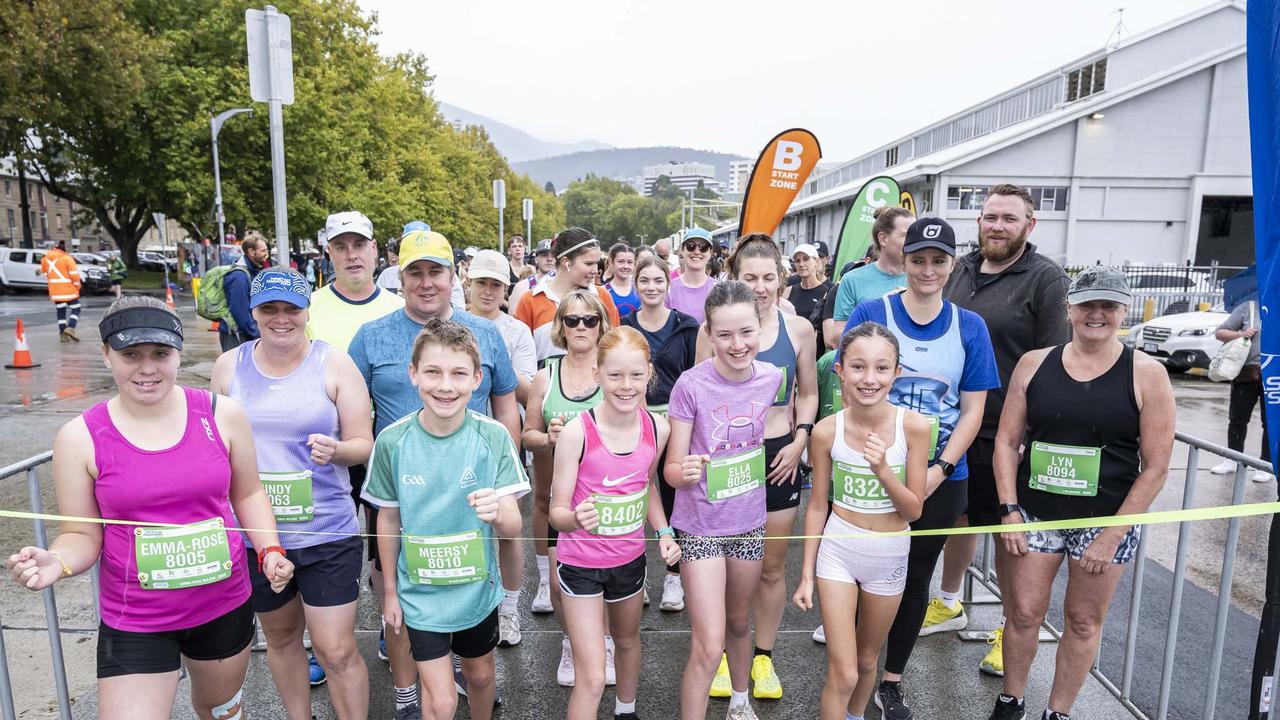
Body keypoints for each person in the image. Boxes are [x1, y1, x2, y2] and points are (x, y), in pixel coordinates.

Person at [7, 296, 296, 720]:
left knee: (218, 711)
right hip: (136, 619)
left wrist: (270, 549)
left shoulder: (223, 416)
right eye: (130, 355)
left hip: (222, 605)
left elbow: (248, 493)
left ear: (178, 354)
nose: (147, 369)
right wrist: (58, 561)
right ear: (107, 356)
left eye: (160, 354)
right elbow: (81, 533)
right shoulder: (79, 437)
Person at [989, 266, 1175, 720]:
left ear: (1123, 311)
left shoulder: (1147, 374)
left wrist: (1112, 534)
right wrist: (1009, 509)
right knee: (1025, 613)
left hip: (1105, 519)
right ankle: (1012, 701)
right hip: (1037, 513)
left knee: (1083, 620)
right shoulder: (1034, 364)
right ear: (1069, 308)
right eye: (1087, 304)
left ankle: (1059, 712)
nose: (1097, 314)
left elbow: (1156, 466)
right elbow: (1006, 442)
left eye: (1107, 306)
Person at [348, 229, 521, 711]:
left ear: (453, 276)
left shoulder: (486, 332)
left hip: (472, 506)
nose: (426, 283)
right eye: (415, 273)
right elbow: (353, 410)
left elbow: (507, 407)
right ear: (400, 278)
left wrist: (509, 489)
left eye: (436, 272)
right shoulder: (371, 336)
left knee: (480, 671)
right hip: (406, 498)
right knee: (402, 620)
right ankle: (408, 697)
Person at [840, 216, 1000, 719]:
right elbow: (847, 381)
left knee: (914, 580)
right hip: (870, 470)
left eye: (938, 261)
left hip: (941, 476)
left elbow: (973, 409)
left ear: (952, 266)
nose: (927, 269)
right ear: (901, 260)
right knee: (863, 575)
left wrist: (940, 466)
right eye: (918, 259)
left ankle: (890, 681)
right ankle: (855, 674)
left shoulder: (969, 326)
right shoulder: (873, 311)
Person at [210, 267, 372, 719]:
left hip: (326, 533)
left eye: (291, 309)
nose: (281, 319)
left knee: (335, 650)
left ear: (306, 312)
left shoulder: (333, 363)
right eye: (269, 309)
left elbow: (364, 443)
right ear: (254, 313)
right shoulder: (230, 367)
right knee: (281, 640)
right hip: (258, 538)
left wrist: (338, 450)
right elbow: (213, 444)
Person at [929, 183, 1071, 677]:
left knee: (1010, 536)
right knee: (960, 520)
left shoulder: (1046, 279)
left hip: (1008, 432)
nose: (997, 225)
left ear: (1030, 226)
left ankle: (1010, 629)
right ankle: (949, 602)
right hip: (954, 424)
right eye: (990, 216)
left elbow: (1055, 360)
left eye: (1009, 218)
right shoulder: (960, 268)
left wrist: (1035, 430)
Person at [698, 234, 818, 701]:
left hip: (779, 455)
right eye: (750, 277)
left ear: (781, 279)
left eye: (769, 277)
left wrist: (801, 438)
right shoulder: (714, 331)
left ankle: (763, 657)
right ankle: (727, 656)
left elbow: (808, 391)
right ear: (735, 278)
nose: (761, 286)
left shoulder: (800, 330)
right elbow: (697, 394)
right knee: (723, 566)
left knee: (770, 567)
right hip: (728, 459)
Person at [794, 322, 930, 720]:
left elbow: (914, 511)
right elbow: (817, 505)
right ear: (840, 370)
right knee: (844, 670)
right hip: (838, 551)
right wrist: (805, 573)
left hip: (889, 554)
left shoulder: (914, 427)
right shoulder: (824, 431)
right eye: (858, 367)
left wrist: (884, 470)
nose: (869, 379)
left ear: (897, 373)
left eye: (882, 368)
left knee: (868, 661)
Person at [666, 280, 783, 720]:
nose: (738, 345)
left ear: (760, 328)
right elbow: (672, 470)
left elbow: (767, 434)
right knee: (707, 641)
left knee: (739, 622)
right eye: (726, 335)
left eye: (746, 332)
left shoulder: (772, 378)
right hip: (699, 526)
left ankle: (739, 701)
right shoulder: (690, 385)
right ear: (709, 335)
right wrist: (687, 470)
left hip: (749, 522)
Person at [550, 326, 680, 720]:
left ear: (649, 374)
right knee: (590, 678)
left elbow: (647, 486)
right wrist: (574, 518)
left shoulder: (658, 428)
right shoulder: (577, 433)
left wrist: (664, 532)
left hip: (629, 561)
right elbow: (555, 513)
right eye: (615, 376)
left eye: (636, 375)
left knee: (627, 641)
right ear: (597, 375)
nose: (626, 386)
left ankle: (627, 711)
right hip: (580, 567)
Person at [523, 290, 611, 686]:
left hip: (604, 502)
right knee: (560, 585)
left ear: (600, 325)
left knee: (606, 583)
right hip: (558, 503)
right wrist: (548, 439)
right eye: (571, 320)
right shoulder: (546, 375)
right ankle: (571, 643)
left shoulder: (611, 371)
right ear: (560, 326)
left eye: (588, 320)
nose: (580, 327)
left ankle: (603, 643)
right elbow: (527, 435)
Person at [620, 255, 700, 612]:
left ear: (669, 286)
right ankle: (635, 573)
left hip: (676, 421)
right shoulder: (623, 327)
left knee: (673, 497)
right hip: (633, 419)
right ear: (635, 286)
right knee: (634, 493)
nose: (651, 287)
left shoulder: (686, 325)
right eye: (645, 281)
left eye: (658, 281)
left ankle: (673, 576)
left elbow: (694, 375)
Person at [467, 248, 537, 647]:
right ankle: (473, 609)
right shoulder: (448, 324)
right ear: (469, 284)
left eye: (496, 284)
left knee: (509, 530)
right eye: (482, 283)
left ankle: (509, 610)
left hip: (504, 439)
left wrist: (499, 366)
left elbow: (524, 392)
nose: (489, 291)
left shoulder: (515, 332)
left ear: (506, 289)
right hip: (460, 442)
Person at [514, 227, 621, 363]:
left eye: (596, 263)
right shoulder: (530, 300)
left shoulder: (602, 296)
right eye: (588, 263)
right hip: (545, 382)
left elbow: (614, 347)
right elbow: (521, 357)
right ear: (566, 262)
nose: (595, 270)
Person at [307, 211, 404, 354]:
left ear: (374, 248)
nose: (351, 255)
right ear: (330, 253)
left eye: (359, 245)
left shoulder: (401, 309)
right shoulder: (307, 310)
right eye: (341, 247)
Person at [825, 207, 912, 347]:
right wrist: (879, 309)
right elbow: (837, 338)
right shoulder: (852, 280)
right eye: (906, 235)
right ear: (883, 239)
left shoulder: (921, 278)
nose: (913, 241)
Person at [1213, 299, 1274, 482]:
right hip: (1247, 373)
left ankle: (1266, 464)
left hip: (1274, 375)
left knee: (1270, 422)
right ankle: (1232, 459)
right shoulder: (1249, 307)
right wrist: (1241, 334)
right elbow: (1220, 332)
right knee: (1237, 418)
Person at [219, 232, 270, 352]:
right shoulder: (239, 277)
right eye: (263, 251)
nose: (266, 255)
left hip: (245, 333)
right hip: (237, 335)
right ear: (251, 252)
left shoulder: (252, 271)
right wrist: (258, 335)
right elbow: (240, 311)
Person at [784, 243, 832, 357]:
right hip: (791, 352)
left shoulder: (828, 293)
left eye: (806, 259)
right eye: (797, 260)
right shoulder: (788, 291)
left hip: (815, 355)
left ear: (816, 262)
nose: (801, 264)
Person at [667, 228, 718, 324]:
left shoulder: (719, 290)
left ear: (710, 253)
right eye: (691, 246)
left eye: (703, 247)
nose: (697, 252)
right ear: (682, 251)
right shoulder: (669, 289)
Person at [40, 240, 82, 342]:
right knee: (76, 308)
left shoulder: (45, 259)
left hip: (55, 291)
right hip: (69, 289)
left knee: (61, 311)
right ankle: (70, 328)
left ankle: (62, 334)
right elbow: (74, 275)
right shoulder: (67, 258)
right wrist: (77, 286)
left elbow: (45, 274)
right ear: (64, 249)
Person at [604, 243, 640, 317]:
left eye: (630, 262)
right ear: (611, 262)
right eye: (620, 261)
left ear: (634, 264)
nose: (625, 266)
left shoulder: (640, 289)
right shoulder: (603, 291)